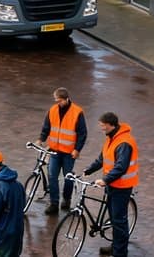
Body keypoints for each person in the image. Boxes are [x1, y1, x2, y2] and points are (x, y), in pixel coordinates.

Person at [83, 112, 138, 257]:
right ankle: (115, 247)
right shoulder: (110, 138)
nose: (101, 129)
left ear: (111, 125)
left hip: (122, 186)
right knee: (114, 218)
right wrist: (88, 170)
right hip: (112, 184)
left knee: (119, 221)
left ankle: (120, 253)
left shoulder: (124, 143)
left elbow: (121, 167)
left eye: (103, 126)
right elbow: (102, 159)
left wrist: (105, 180)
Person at [36, 87, 87, 215]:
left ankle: (67, 199)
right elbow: (46, 127)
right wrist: (41, 139)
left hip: (69, 153)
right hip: (54, 151)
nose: (58, 103)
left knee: (68, 177)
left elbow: (82, 133)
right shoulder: (53, 110)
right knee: (52, 176)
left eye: (60, 101)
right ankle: (54, 203)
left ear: (66, 99)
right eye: (56, 100)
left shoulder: (77, 112)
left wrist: (77, 149)